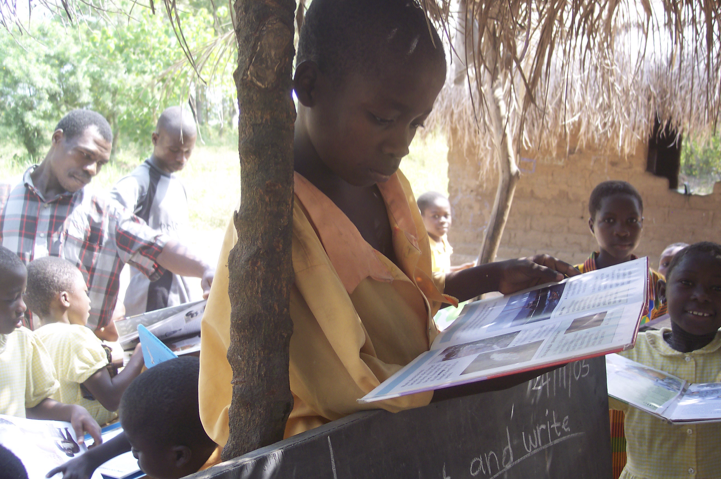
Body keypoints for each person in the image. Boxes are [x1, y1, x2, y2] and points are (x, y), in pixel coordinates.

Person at [199, 0, 578, 447]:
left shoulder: (384, 184)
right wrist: (521, 364)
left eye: (416, 123)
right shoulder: (279, 234)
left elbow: (396, 304)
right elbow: (368, 392)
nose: (400, 144)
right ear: (310, 85)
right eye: (382, 118)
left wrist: (491, 277)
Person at [0, 109, 215, 340]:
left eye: (100, 163)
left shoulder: (106, 215)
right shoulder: (5, 199)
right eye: (85, 155)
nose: (92, 169)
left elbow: (156, 246)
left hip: (78, 367)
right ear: (57, 139)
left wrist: (205, 268)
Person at [575, 180, 666, 479]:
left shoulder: (659, 287)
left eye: (632, 221)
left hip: (638, 413)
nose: (622, 230)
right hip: (582, 407)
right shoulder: (571, 283)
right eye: (609, 220)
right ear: (592, 224)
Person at [610, 242, 721, 479]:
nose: (702, 296)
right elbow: (586, 398)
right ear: (662, 292)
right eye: (687, 283)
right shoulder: (631, 352)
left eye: (717, 288)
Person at [47, 357, 220, 479]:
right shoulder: (203, 440)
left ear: (179, 456)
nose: (132, 452)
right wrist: (91, 458)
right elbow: (145, 430)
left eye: (137, 450)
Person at [0, 247, 101, 445]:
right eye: (12, 299)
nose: (22, 306)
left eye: (22, 295)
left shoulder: (23, 342)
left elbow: (34, 404)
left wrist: (71, 411)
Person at [26, 257, 144, 426]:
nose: (89, 301)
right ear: (65, 299)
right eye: (85, 292)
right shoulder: (76, 335)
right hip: (97, 435)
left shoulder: (33, 339)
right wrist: (140, 353)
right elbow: (111, 399)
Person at [111, 106, 199, 316]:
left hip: (180, 299)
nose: (181, 159)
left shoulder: (178, 185)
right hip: (149, 303)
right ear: (155, 139)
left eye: (187, 152)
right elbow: (109, 219)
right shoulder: (139, 183)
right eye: (174, 150)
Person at [417, 191, 474, 273]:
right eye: (435, 216)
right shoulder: (423, 248)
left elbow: (443, 271)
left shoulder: (443, 239)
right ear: (420, 219)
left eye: (446, 216)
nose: (443, 220)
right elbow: (428, 279)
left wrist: (460, 269)